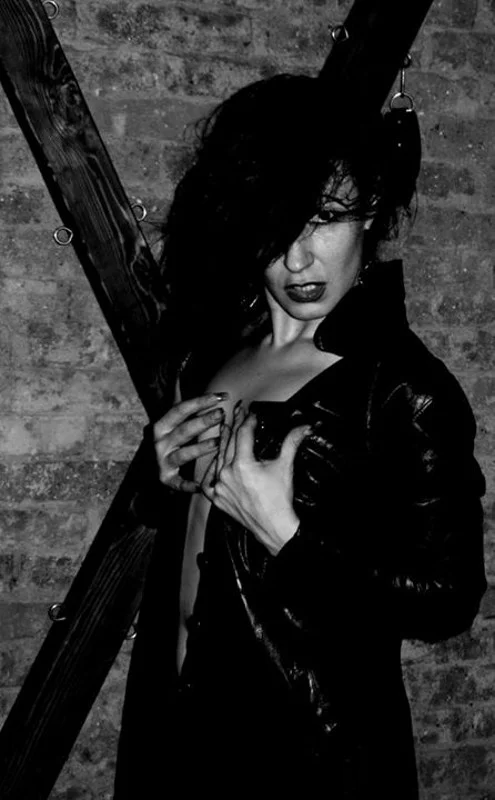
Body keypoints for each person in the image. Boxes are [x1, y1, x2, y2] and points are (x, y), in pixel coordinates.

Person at [114, 74, 487, 799]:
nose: (296, 258)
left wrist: (287, 535)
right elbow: (196, 545)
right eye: (276, 222)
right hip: (178, 734)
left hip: (311, 753)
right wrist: (160, 483)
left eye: (326, 218)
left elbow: (448, 599)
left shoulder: (402, 388)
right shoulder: (212, 355)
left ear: (371, 210)